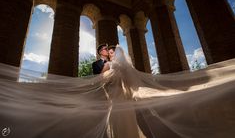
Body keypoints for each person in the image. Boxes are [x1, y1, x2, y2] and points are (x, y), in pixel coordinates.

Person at [0, 45, 235, 138]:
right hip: (112, 95)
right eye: (105, 50)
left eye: (109, 50)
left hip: (119, 95)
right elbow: (104, 77)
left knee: (123, 119)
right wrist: (109, 69)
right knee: (119, 120)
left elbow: (117, 77)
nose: (107, 52)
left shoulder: (116, 65)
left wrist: (113, 70)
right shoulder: (104, 64)